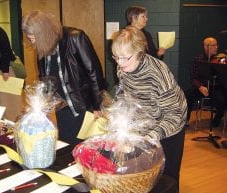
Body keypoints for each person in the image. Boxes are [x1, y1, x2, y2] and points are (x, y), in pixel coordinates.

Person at [112, 26, 187, 190]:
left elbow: (174, 115)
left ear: (139, 52)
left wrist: (151, 136)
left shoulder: (158, 73)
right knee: (146, 174)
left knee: (168, 178)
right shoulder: (122, 68)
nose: (119, 62)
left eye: (124, 58)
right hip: (145, 126)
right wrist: (119, 115)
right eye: (116, 57)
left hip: (169, 127)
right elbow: (126, 95)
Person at [22, 10, 106, 145]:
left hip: (82, 104)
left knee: (84, 146)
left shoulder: (75, 37)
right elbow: (45, 77)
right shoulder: (42, 45)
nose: (33, 43)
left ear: (43, 32)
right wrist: (43, 103)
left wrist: (98, 105)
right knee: (66, 145)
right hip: (62, 107)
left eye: (33, 38)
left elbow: (94, 72)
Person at [185, 37, 227, 127]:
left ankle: (218, 117)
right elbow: (193, 78)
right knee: (186, 95)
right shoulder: (197, 60)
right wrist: (200, 87)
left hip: (216, 87)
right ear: (205, 47)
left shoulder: (220, 59)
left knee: (222, 100)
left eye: (216, 45)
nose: (216, 47)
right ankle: (186, 120)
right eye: (213, 45)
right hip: (202, 87)